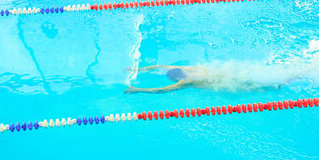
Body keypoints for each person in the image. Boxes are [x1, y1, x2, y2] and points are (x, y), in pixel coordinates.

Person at [124, 63, 301, 94]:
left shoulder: (185, 82)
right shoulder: (187, 69)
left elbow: (161, 91)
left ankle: (286, 80)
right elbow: (160, 66)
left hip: (229, 83)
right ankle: (291, 74)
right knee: (256, 79)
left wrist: (138, 89)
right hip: (230, 74)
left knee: (262, 87)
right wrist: (137, 69)